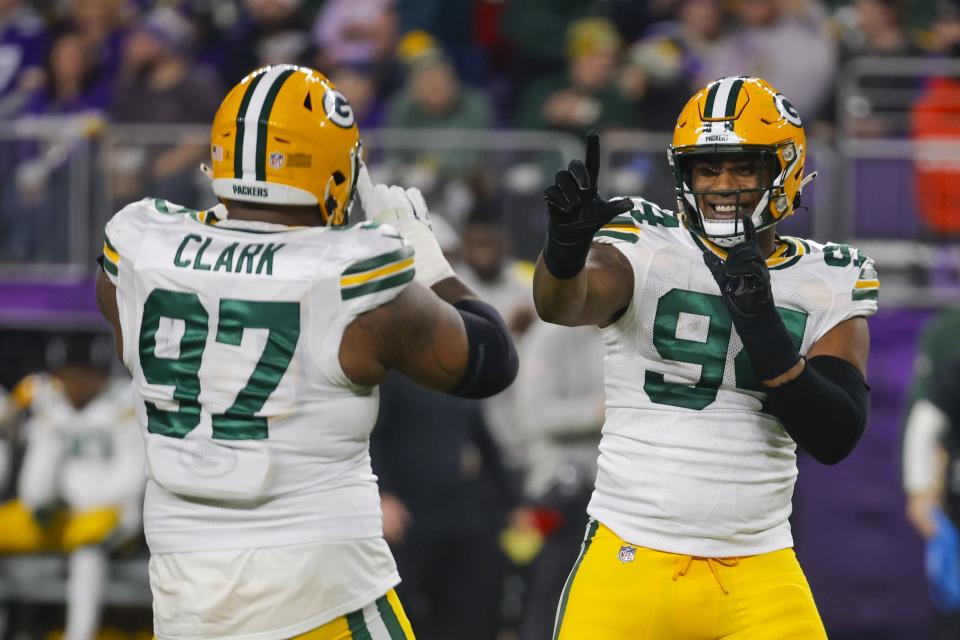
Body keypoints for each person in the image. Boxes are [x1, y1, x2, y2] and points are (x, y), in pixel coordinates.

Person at [94, 64, 518, 640]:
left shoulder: (140, 242)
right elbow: (490, 357)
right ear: (334, 171)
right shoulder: (350, 273)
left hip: (185, 597)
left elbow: (138, 338)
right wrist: (427, 257)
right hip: (322, 594)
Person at [533, 76, 878, 639]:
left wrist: (764, 326)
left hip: (760, 566)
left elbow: (835, 434)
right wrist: (564, 251)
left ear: (783, 170)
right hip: (630, 549)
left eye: (744, 167)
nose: (724, 184)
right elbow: (562, 304)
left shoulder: (829, 276)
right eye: (706, 167)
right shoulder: (649, 241)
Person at [0, 332, 144, 640]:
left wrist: (82, 505)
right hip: (61, 514)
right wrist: (43, 498)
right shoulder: (52, 404)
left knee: (86, 549)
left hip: (109, 514)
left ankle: (79, 636)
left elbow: (132, 480)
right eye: (66, 374)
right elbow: (35, 480)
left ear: (99, 374)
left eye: (80, 374)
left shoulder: (122, 405)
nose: (72, 383)